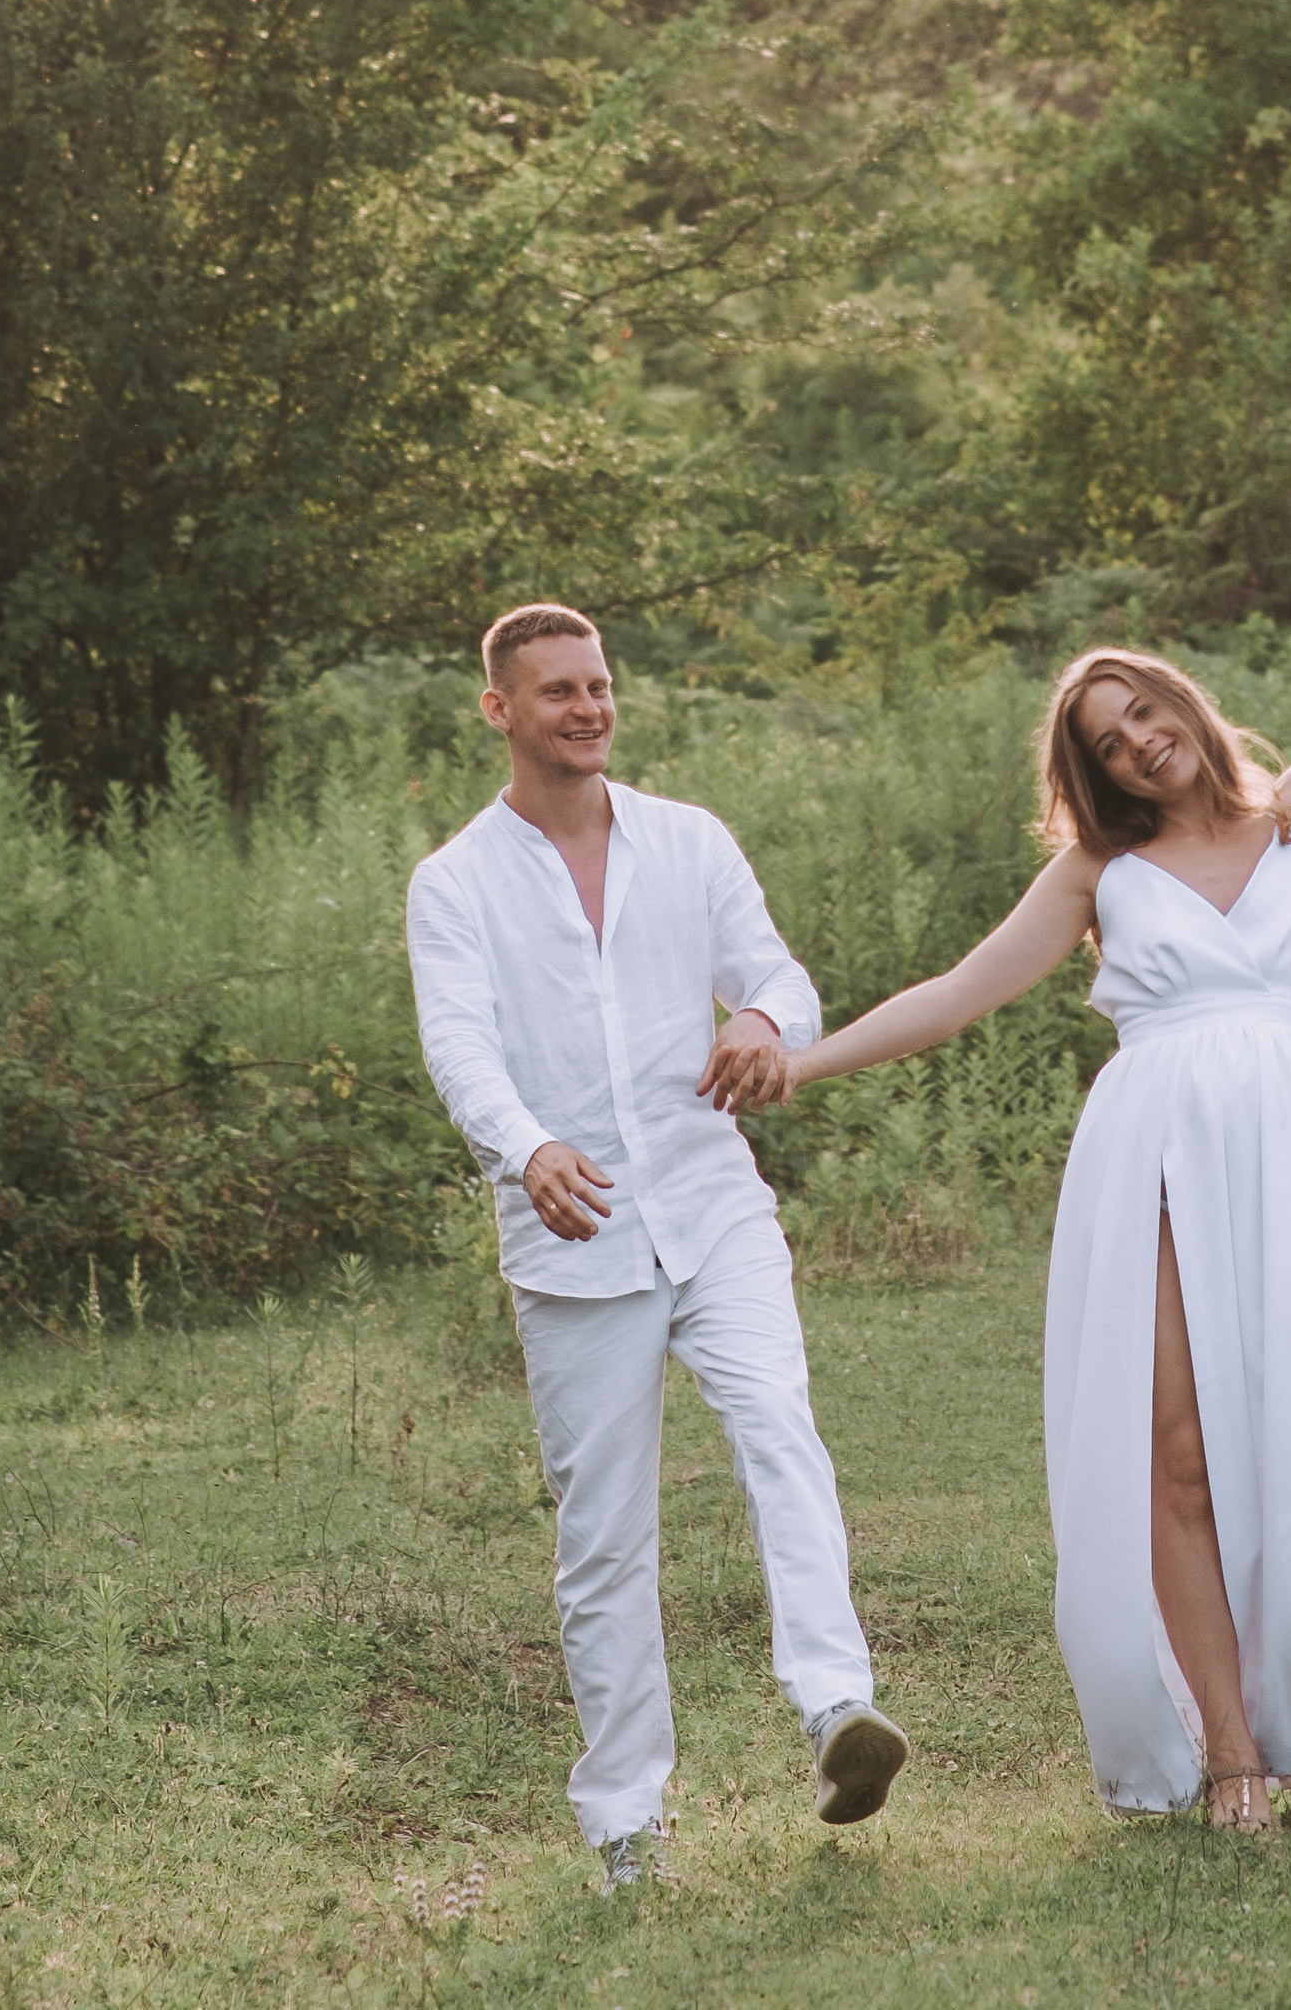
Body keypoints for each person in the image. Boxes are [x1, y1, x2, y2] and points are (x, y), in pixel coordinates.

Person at [783, 477, 1291, 1828]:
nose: (1139, 747)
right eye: (1109, 745)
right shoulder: (1097, 881)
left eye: (1146, 715)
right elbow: (955, 995)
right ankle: (1231, 1757)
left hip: (1288, 1148)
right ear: (1094, 773)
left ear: (1182, 704)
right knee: (1174, 1460)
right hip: (1155, 1156)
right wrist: (797, 1063)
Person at [405, 600, 908, 1890]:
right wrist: (527, 1147)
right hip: (572, 1233)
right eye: (557, 690)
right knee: (607, 1533)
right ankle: (627, 1818)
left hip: (713, 1200)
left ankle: (836, 1708)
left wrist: (755, 1016)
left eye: (600, 685)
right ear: (499, 711)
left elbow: (781, 976)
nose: (587, 707)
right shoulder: (456, 882)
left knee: (778, 1427)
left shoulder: (689, 842)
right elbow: (460, 1048)